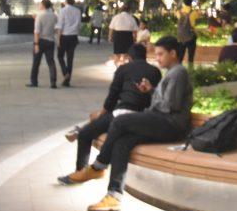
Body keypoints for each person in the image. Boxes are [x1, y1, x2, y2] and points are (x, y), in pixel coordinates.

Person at [67, 36, 193, 211]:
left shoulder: (178, 72)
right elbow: (166, 102)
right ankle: (113, 196)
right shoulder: (171, 72)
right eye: (155, 54)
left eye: (160, 54)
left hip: (170, 125)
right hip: (164, 123)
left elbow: (168, 107)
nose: (157, 58)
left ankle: (98, 167)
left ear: (173, 53)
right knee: (122, 143)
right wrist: (150, 91)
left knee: (120, 121)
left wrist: (151, 100)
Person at [59, 43, 161, 180]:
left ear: (129, 57)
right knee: (104, 126)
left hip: (122, 113)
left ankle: (81, 171)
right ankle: (91, 167)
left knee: (85, 134)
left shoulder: (123, 68)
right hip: (143, 116)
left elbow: (113, 94)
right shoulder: (155, 71)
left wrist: (104, 111)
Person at [28, 0, 58, 88]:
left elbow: (37, 31)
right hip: (50, 41)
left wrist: (36, 44)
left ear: (43, 5)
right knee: (51, 62)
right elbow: (57, 28)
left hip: (40, 41)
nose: (39, 6)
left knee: (36, 62)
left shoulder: (39, 16)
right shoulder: (54, 15)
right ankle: (53, 82)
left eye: (40, 4)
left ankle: (34, 82)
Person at [56, 0, 82, 87]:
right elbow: (79, 25)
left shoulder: (62, 11)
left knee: (60, 56)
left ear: (66, 1)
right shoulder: (78, 11)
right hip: (73, 37)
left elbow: (60, 25)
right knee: (70, 58)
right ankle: (67, 81)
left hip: (64, 36)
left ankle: (65, 72)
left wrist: (58, 39)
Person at [177, 0, 198, 65]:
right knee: (190, 57)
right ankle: (190, 70)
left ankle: (178, 70)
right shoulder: (193, 13)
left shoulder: (179, 12)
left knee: (180, 56)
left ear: (183, 2)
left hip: (181, 37)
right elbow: (193, 25)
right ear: (191, 2)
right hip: (190, 36)